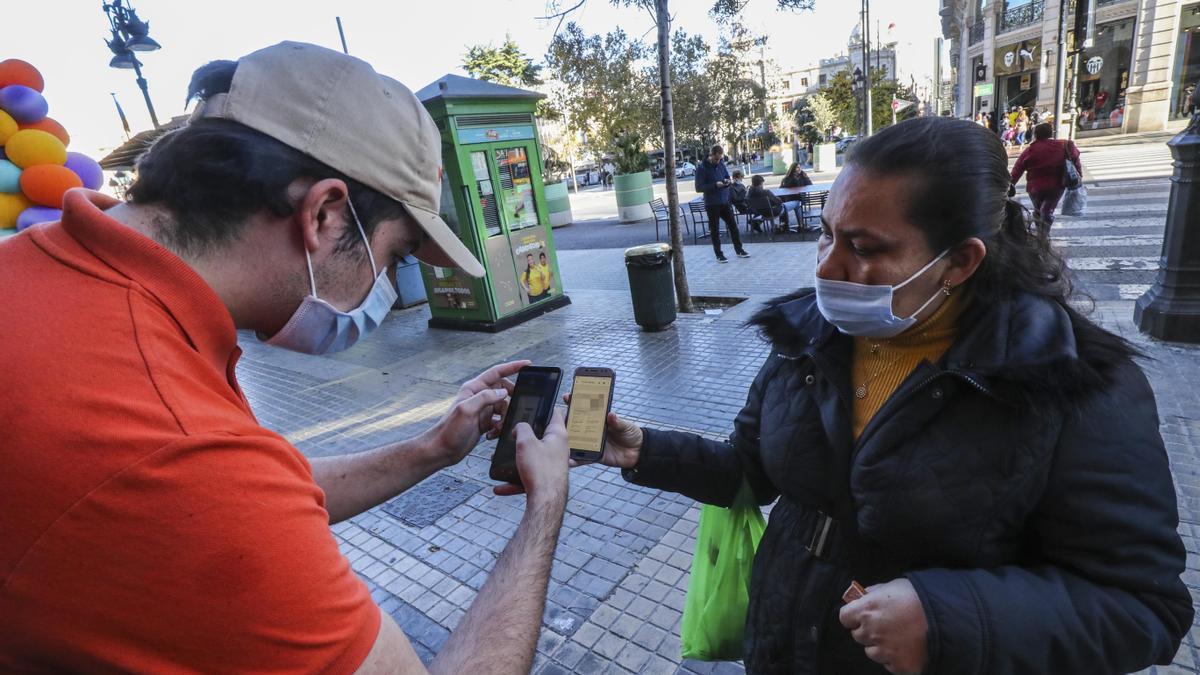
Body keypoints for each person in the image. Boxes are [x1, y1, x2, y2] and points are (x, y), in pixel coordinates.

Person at [0, 42, 573, 673]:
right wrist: (544, 508)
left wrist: (434, 447)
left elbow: (266, 488)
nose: (385, 285)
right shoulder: (172, 445)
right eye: (396, 256)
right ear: (326, 214)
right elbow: (217, 490)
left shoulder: (47, 272)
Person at [585, 116, 1192, 673]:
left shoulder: (1073, 386)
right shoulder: (808, 337)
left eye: (864, 247)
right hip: (782, 647)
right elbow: (752, 469)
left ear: (959, 262)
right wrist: (644, 450)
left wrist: (951, 619)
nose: (826, 268)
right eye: (825, 234)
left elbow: (1143, 608)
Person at [1010, 122, 1082, 230]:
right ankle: (1044, 232)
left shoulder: (1030, 150)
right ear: (1050, 133)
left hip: (1035, 188)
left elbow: (1018, 169)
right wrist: (1079, 175)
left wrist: (1011, 184)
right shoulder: (1064, 145)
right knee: (1047, 210)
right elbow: (1075, 159)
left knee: (1039, 209)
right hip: (1056, 186)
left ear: (1036, 135)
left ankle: (1040, 228)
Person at [695, 144, 749, 262]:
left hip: (724, 201)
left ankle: (739, 250)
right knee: (715, 230)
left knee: (733, 226)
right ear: (711, 155)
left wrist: (727, 181)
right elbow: (698, 187)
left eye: (720, 159)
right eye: (716, 159)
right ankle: (719, 254)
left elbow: (726, 176)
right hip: (712, 203)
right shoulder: (702, 168)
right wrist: (715, 185)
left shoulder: (721, 164)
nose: (718, 161)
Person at [779, 161, 814, 227]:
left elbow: (810, 185)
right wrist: (794, 178)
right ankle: (800, 225)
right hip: (790, 199)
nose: (799, 169)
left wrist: (805, 177)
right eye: (797, 168)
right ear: (793, 169)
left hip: (801, 197)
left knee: (797, 204)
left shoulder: (803, 175)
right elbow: (782, 188)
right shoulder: (788, 178)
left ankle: (800, 225)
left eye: (800, 167)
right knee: (796, 204)